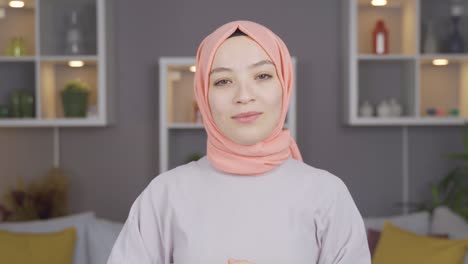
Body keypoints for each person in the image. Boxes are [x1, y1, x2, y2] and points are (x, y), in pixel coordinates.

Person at [107, 20, 371, 264]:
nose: (244, 96)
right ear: (203, 95)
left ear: (285, 84)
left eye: (263, 76)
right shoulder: (165, 194)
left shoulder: (327, 194)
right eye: (223, 81)